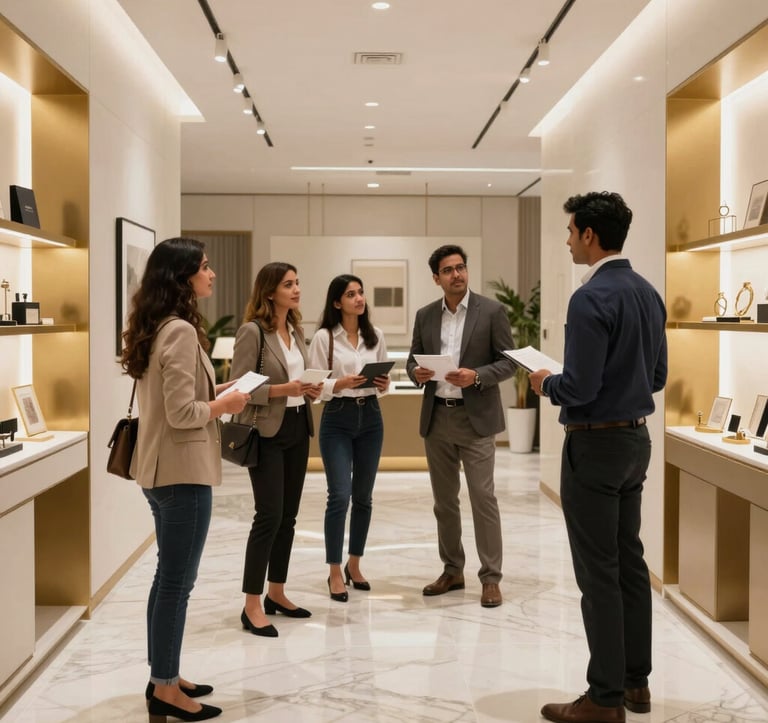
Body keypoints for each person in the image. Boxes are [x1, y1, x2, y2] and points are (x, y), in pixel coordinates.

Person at [529, 192, 667, 723]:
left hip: (594, 445)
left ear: (590, 234)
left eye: (570, 231)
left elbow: (579, 387)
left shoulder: (590, 298)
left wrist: (546, 382)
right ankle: (637, 684)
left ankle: (604, 698)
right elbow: (655, 378)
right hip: (636, 442)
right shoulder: (648, 294)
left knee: (598, 574)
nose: (566, 240)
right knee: (630, 564)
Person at [122, 237, 250, 723]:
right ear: (183, 278)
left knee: (168, 579)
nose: (212, 274)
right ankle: (166, 687)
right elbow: (182, 414)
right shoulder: (177, 331)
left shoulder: (159, 326)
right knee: (177, 582)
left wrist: (218, 390)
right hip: (181, 475)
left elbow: (176, 397)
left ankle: (165, 674)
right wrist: (224, 406)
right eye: (204, 267)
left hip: (160, 471)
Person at [406, 244, 516, 608]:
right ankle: (452, 570)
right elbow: (411, 361)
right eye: (449, 270)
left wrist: (477, 375)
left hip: (477, 420)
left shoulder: (492, 311)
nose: (457, 274)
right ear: (436, 278)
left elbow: (508, 363)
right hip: (437, 417)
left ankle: (491, 578)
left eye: (461, 268)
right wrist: (416, 373)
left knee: (483, 498)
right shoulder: (424, 316)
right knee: (444, 502)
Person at [232, 261, 322, 637]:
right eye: (288, 284)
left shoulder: (296, 330)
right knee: (268, 516)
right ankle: (251, 604)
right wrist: (283, 391)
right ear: (270, 292)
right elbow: (240, 388)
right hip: (267, 431)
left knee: (288, 518)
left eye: (298, 282)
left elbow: (299, 380)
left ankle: (277, 593)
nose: (296, 289)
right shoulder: (252, 332)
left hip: (297, 427)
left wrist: (310, 389)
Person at [308, 274, 390, 602]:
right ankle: (333, 569)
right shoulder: (324, 338)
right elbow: (314, 387)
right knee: (339, 496)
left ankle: (355, 564)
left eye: (361, 292)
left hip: (371, 416)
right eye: (351, 294)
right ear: (337, 302)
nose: (359, 298)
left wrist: (383, 385)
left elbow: (383, 384)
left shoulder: (376, 336)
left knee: (364, 497)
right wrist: (339, 385)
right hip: (337, 419)